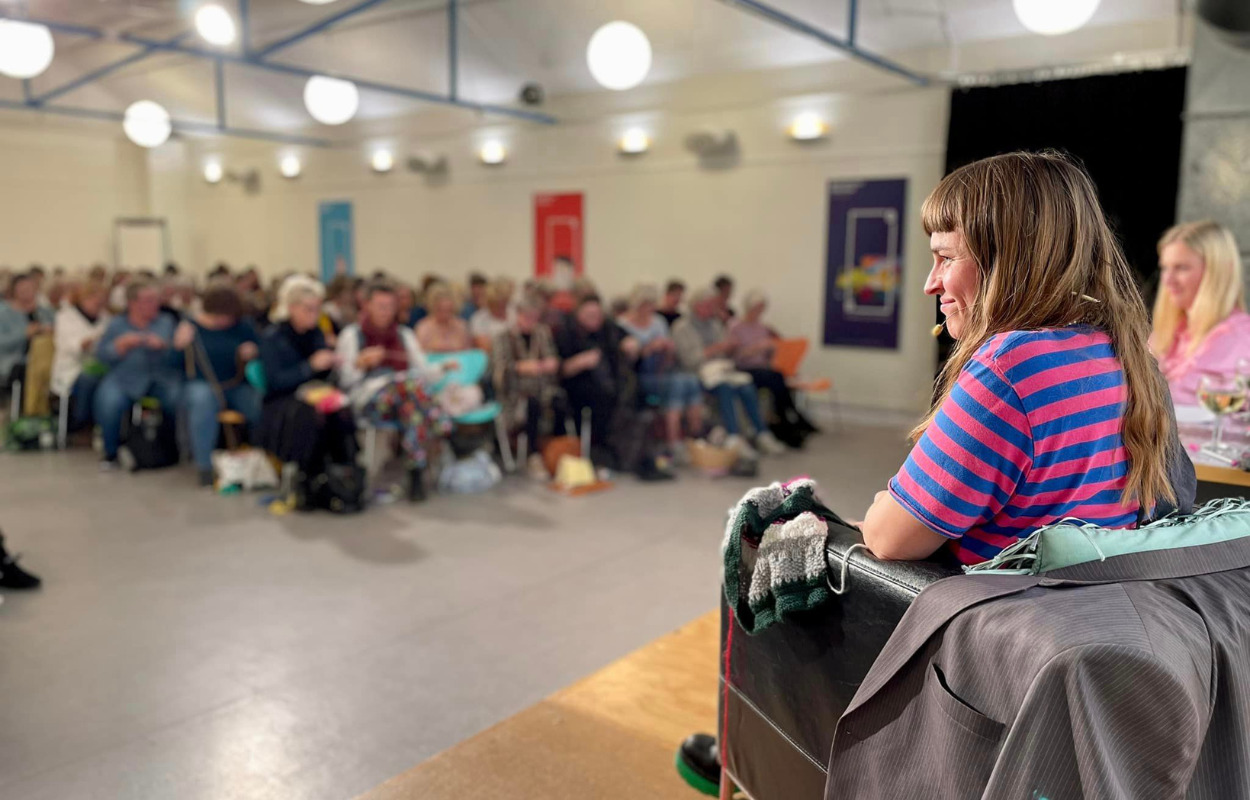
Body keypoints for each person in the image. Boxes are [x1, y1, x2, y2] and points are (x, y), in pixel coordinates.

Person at [860, 151, 1185, 564]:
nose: (931, 283)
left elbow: (891, 538)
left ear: (1007, 260)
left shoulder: (1011, 367)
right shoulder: (1119, 348)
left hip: (998, 614)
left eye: (946, 257)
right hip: (1087, 608)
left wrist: (881, 505)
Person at [337, 282, 451, 501]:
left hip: (406, 402)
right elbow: (345, 381)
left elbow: (423, 371)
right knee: (408, 387)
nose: (385, 311)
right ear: (367, 305)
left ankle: (416, 470)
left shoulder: (404, 335)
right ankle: (440, 424)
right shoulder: (352, 335)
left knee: (411, 405)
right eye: (380, 306)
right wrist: (360, 364)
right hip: (370, 401)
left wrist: (443, 367)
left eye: (390, 306)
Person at [258, 276, 357, 485]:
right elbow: (275, 381)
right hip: (282, 400)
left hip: (313, 393)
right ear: (292, 308)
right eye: (308, 309)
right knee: (310, 415)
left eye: (317, 309)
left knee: (342, 408)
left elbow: (323, 377)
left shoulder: (316, 334)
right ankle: (309, 476)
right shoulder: (272, 338)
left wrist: (331, 363)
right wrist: (309, 367)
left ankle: (344, 472)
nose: (314, 315)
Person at [673, 288, 785, 456]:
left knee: (746, 385)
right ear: (697, 306)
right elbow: (690, 360)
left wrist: (729, 348)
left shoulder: (715, 325)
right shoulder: (682, 327)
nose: (712, 309)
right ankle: (733, 436)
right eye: (709, 305)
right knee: (725, 388)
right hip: (695, 373)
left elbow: (725, 354)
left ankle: (761, 433)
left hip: (719, 369)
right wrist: (718, 348)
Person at [1150, 220, 1250, 405]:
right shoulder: (1170, 332)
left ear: (1218, 272)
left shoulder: (1238, 336)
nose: (1167, 280)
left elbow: (1173, 403)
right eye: (1165, 268)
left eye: (1181, 268)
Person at [174, 283, 261, 486]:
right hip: (201, 384)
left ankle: (262, 457)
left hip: (236, 383)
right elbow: (173, 365)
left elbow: (263, 347)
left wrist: (253, 351)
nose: (227, 322)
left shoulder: (243, 325)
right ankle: (204, 466)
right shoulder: (190, 328)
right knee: (202, 400)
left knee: (257, 402)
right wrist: (178, 346)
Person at [94, 280, 181, 470]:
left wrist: (164, 346)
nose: (154, 304)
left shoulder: (166, 322)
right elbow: (101, 355)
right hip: (124, 377)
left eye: (155, 300)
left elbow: (179, 354)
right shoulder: (117, 325)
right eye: (149, 300)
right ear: (133, 304)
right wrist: (119, 347)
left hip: (161, 377)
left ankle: (174, 448)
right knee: (108, 401)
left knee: (177, 398)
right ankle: (111, 453)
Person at [618, 284, 704, 461]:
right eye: (645, 304)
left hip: (661, 372)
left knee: (691, 380)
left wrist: (668, 349)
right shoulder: (622, 325)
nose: (649, 309)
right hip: (638, 377)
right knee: (678, 384)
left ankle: (696, 437)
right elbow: (623, 361)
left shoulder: (658, 322)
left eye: (651, 304)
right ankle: (674, 442)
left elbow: (669, 360)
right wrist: (648, 349)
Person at [554, 294, 641, 468]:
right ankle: (600, 447)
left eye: (598, 316)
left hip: (611, 383)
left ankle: (627, 451)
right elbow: (560, 370)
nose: (595, 320)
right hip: (578, 386)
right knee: (601, 399)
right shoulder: (566, 333)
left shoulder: (609, 328)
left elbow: (630, 340)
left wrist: (632, 345)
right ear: (579, 315)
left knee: (634, 394)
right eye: (589, 316)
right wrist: (579, 362)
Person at [728, 289, 816, 445]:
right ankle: (791, 417)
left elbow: (770, 354)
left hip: (763, 368)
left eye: (761, 309)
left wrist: (771, 350)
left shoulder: (762, 327)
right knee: (776, 378)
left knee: (778, 377)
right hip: (744, 368)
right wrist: (757, 348)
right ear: (749, 307)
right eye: (757, 308)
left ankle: (787, 419)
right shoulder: (736, 327)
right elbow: (734, 356)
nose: (759, 312)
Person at [491, 295, 562, 476]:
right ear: (517, 315)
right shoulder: (503, 337)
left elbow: (552, 357)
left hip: (543, 388)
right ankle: (533, 454)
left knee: (559, 402)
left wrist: (551, 363)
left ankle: (558, 450)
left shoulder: (542, 334)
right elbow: (499, 370)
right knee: (532, 405)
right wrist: (519, 367)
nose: (531, 321)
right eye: (526, 316)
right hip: (515, 394)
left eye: (534, 317)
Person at [52, 278, 111, 431]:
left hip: (100, 365)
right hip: (72, 368)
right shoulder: (65, 317)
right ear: (83, 298)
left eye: (102, 302)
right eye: (95, 301)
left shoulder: (106, 318)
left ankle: (108, 425)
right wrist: (95, 338)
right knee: (89, 379)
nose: (99, 305)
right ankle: (82, 422)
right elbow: (73, 347)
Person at [0, 272, 55, 414]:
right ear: (14, 291)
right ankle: (28, 415)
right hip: (14, 361)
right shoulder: (4, 312)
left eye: (30, 288)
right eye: (22, 289)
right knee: (27, 372)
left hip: (46, 360)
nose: (26, 292)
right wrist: (24, 334)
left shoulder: (45, 311)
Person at [416, 283, 472, 353]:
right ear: (433, 307)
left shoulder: (461, 326)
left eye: (449, 310)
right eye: (441, 310)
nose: (445, 315)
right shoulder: (423, 327)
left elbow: (468, 352)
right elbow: (418, 354)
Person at [469, 279, 515, 351]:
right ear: (489, 304)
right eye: (497, 305)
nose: (501, 308)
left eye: (504, 304)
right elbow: (484, 347)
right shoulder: (478, 319)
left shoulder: (513, 313)